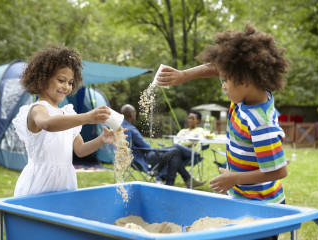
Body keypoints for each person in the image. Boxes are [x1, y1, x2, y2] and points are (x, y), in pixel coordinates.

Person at [157, 23, 290, 239]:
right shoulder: (246, 91)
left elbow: (279, 171)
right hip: (241, 198)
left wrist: (234, 178)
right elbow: (219, 66)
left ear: (244, 79)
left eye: (226, 80)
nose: (222, 85)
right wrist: (184, 75)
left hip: (262, 208)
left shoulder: (261, 124)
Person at [12, 44, 117, 197]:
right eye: (61, 80)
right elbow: (48, 123)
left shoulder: (67, 113)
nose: (66, 87)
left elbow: (80, 150)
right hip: (39, 184)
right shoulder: (38, 109)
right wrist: (87, 117)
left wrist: (102, 139)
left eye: (70, 82)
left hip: (65, 183)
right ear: (43, 79)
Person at [121, 104, 206, 188]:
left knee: (174, 153)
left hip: (130, 158)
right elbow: (147, 147)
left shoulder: (120, 127)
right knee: (175, 151)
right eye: (135, 114)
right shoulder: (131, 129)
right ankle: (171, 182)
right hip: (143, 158)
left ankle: (165, 181)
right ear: (132, 114)